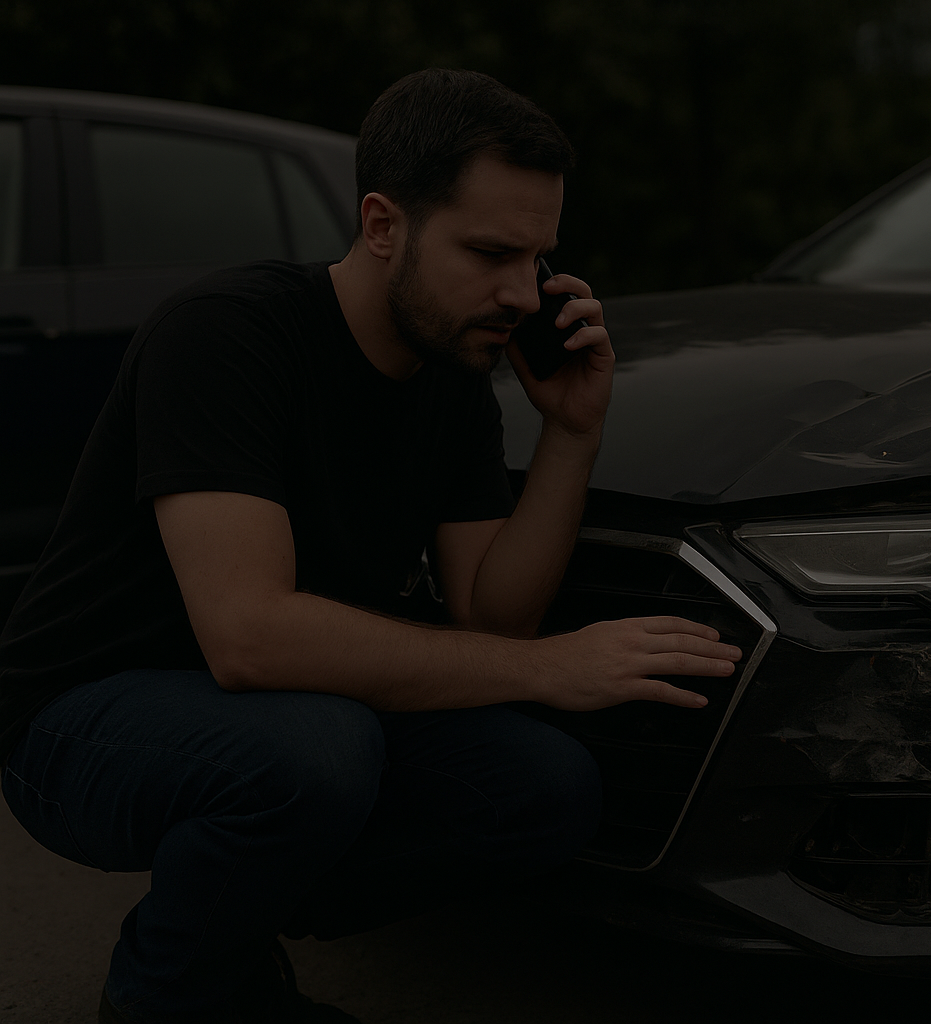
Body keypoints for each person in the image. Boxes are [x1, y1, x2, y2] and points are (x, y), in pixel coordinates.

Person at [0, 68, 742, 1023]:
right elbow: (251, 638)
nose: (522, 294)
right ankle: (171, 996)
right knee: (317, 750)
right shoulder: (227, 333)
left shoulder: (452, 370)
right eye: (491, 252)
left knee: (544, 787)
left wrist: (572, 434)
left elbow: (493, 618)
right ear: (384, 225)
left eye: (539, 259)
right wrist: (553, 667)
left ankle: (225, 933)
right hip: (79, 721)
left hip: (290, 715)